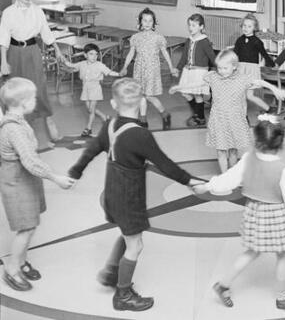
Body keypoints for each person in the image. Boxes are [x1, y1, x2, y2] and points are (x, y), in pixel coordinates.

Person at [67, 78, 204, 311]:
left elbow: (92, 150)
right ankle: (123, 295)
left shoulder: (110, 124)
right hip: (129, 196)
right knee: (136, 245)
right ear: (142, 103)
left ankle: (112, 272)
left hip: (112, 192)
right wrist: (190, 181)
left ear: (113, 103)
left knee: (128, 233)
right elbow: (165, 164)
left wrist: (76, 171)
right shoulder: (140, 135)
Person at [194, 117, 285, 310]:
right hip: (275, 215)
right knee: (282, 254)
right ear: (283, 141)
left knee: (252, 251)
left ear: (256, 140)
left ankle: (223, 285)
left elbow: (229, 179)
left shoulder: (247, 159)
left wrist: (208, 186)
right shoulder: (282, 170)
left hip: (254, 211)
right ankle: (283, 298)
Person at [0, 77, 74, 292]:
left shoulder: (18, 120)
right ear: (24, 103)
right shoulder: (13, 129)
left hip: (25, 179)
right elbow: (30, 161)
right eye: (33, 98)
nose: (36, 101)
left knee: (30, 224)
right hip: (17, 182)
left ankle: (21, 261)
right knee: (26, 227)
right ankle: (12, 269)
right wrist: (55, 178)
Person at [0, 0, 64, 144]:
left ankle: (49, 119)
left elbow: (46, 32)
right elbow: (4, 38)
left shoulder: (37, 11)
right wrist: (3, 62)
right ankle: (19, 127)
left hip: (32, 51)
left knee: (38, 87)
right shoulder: (8, 12)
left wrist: (58, 50)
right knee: (15, 90)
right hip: (14, 52)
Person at [204, 49, 285, 173]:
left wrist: (274, 89)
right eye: (219, 68)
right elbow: (198, 82)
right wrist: (179, 87)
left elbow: (259, 82)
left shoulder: (242, 79)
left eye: (225, 68)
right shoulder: (213, 77)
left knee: (233, 150)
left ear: (234, 66)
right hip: (218, 121)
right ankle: (224, 175)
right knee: (221, 151)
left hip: (234, 121)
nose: (221, 71)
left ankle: (231, 173)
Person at [120, 8, 178, 130]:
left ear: (154, 22)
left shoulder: (158, 37)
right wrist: (125, 67)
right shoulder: (135, 37)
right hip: (139, 69)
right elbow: (131, 53)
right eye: (144, 20)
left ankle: (164, 114)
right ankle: (143, 120)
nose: (147, 23)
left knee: (149, 96)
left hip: (152, 69)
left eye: (150, 21)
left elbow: (165, 52)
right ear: (140, 22)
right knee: (141, 94)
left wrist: (171, 67)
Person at [60, 42, 119, 137]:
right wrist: (63, 59)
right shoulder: (82, 64)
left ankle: (88, 128)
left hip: (95, 88)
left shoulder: (99, 65)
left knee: (91, 110)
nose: (94, 56)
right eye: (91, 54)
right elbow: (71, 65)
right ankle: (105, 117)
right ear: (85, 55)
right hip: (85, 89)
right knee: (89, 109)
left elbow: (109, 72)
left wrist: (119, 74)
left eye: (96, 54)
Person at [169, 13, 215, 127]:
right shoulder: (189, 40)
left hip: (199, 72)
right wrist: (178, 68)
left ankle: (201, 118)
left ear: (201, 27)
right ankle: (197, 113)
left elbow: (212, 57)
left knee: (197, 95)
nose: (190, 28)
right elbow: (184, 57)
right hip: (188, 71)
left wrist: (220, 69)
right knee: (185, 93)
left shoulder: (204, 41)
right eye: (189, 25)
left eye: (194, 25)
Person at [233, 13, 277, 114]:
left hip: (251, 70)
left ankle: (268, 108)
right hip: (240, 69)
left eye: (249, 26)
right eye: (244, 25)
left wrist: (273, 65)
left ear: (254, 28)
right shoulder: (239, 40)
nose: (246, 28)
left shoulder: (257, 41)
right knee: (241, 95)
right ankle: (243, 116)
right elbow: (234, 55)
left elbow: (264, 54)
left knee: (249, 95)